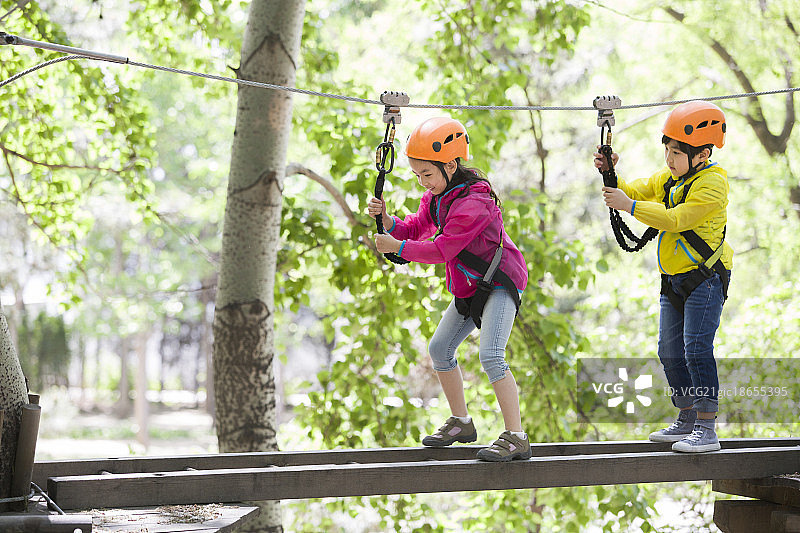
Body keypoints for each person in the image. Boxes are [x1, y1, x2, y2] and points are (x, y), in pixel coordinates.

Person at [367, 116, 530, 461]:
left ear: (450, 165)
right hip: (471, 283)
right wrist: (388, 221)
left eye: (427, 174)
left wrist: (397, 248)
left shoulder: (475, 202)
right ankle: (461, 423)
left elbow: (442, 249)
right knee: (440, 349)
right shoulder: (437, 196)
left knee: (492, 355)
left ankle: (516, 436)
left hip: (500, 280)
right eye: (417, 176)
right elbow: (416, 227)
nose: (423, 183)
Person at [594, 100, 733, 453]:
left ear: (702, 155)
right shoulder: (670, 178)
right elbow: (636, 190)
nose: (669, 158)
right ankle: (687, 417)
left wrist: (629, 206)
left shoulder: (713, 184)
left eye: (677, 153)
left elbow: (676, 219)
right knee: (669, 351)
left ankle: (707, 427)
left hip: (704, 279)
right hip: (673, 280)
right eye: (667, 150)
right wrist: (612, 174)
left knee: (696, 349)